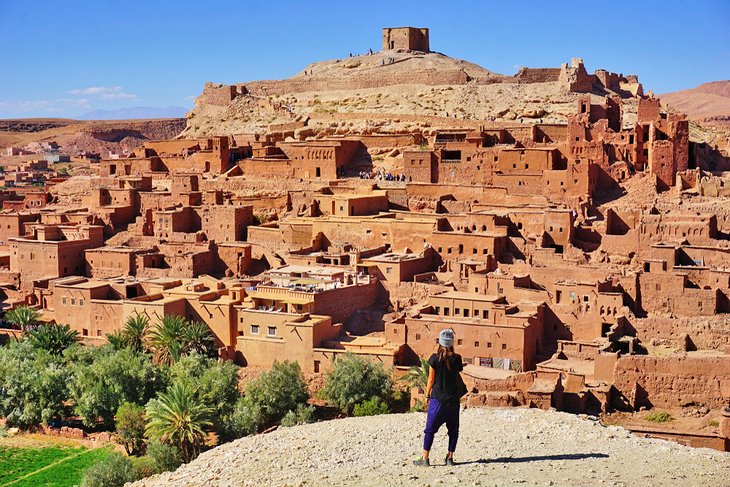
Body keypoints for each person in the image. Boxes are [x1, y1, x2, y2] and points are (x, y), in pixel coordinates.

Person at [414, 328, 464, 467]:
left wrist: (427, 395)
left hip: (438, 400)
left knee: (430, 430)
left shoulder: (434, 359)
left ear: (440, 342)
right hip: (453, 400)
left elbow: (430, 379)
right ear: (451, 343)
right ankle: (450, 458)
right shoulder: (457, 358)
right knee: (453, 430)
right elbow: (458, 372)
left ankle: (425, 459)